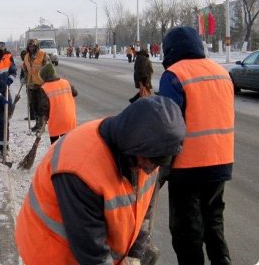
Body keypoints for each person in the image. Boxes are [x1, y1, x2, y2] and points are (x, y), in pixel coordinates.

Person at [15, 96, 186, 265]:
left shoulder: (149, 154)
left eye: (159, 162)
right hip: (51, 253)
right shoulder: (80, 170)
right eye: (150, 160)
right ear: (131, 145)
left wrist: (135, 252)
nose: (151, 169)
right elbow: (92, 254)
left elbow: (141, 210)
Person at [159, 26, 234, 265]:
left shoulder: (174, 74)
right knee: (214, 221)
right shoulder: (221, 72)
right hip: (221, 160)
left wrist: (160, 166)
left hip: (187, 166)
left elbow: (169, 125)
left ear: (170, 49)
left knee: (186, 230)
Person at [38, 62, 78, 144]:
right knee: (67, 144)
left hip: (55, 121)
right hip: (69, 119)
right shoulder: (65, 82)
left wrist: (45, 116)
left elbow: (43, 107)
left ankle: (57, 156)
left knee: (55, 147)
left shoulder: (44, 88)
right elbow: (75, 93)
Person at [23, 38, 49, 131]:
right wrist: (24, 77)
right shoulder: (26, 56)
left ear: (37, 46)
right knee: (33, 105)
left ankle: (42, 125)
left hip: (41, 85)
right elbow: (25, 68)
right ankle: (38, 124)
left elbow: (49, 69)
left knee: (41, 105)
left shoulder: (43, 55)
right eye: (30, 46)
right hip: (31, 84)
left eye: (33, 46)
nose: (31, 48)